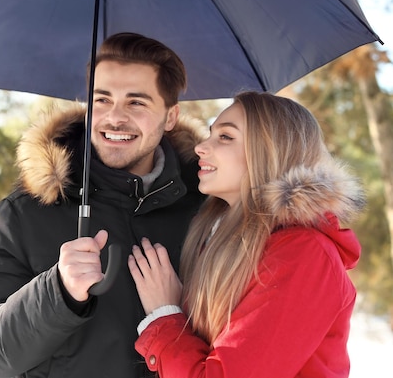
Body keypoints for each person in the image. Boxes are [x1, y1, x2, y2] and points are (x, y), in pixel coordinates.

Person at [0, 32, 206, 378]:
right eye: (102, 100)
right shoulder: (28, 211)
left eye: (136, 103)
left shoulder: (208, 212)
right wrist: (58, 291)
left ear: (170, 116)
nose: (114, 118)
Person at [128, 91, 364, 378]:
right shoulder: (220, 238)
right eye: (211, 134)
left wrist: (166, 317)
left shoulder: (305, 254)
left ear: (269, 150)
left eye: (225, 137)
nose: (202, 147)